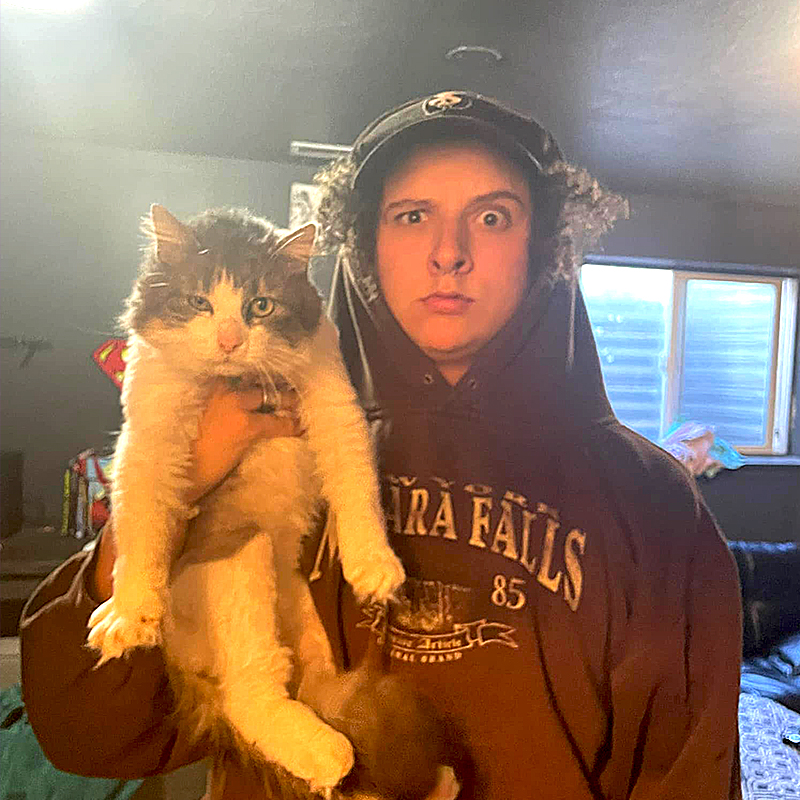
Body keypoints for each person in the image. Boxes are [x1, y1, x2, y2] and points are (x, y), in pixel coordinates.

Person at [20, 91, 743, 799]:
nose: (448, 253)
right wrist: (181, 489)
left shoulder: (652, 502)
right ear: (366, 246)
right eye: (412, 216)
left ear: (545, 244)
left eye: (492, 217)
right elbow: (88, 733)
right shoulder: (258, 437)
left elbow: (688, 773)